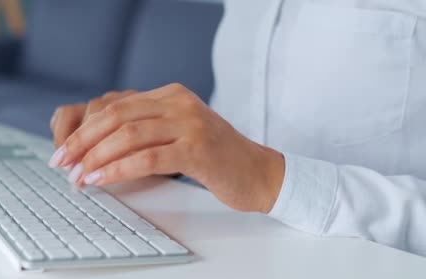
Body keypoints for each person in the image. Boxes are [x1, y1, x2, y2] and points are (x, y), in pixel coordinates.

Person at [48, 0, 426, 257]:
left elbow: (253, 170)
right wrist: (162, 147)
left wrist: (269, 179)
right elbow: (234, 147)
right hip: (202, 261)